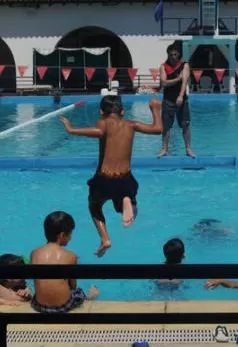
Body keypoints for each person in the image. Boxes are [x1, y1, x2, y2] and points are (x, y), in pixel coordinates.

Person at [60, 94, 163, 257]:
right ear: (122, 112)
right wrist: (156, 109)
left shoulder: (103, 122)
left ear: (102, 112)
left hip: (104, 178)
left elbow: (99, 132)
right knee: (128, 209)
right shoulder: (131, 124)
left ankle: (105, 238)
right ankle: (126, 200)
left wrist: (72, 130)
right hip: (125, 178)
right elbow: (157, 129)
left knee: (94, 206)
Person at [30, 211, 98, 313]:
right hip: (62, 307)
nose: (71, 238)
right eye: (70, 234)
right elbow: (73, 286)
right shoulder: (71, 256)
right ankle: (90, 297)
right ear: (62, 235)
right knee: (78, 292)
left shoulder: (34, 253)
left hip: (39, 306)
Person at [157, 44, 194, 158]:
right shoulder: (163, 67)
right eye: (171, 54)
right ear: (168, 54)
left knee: (185, 125)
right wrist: (178, 78)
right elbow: (164, 83)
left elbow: (185, 82)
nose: (173, 57)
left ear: (178, 55)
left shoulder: (184, 65)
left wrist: (181, 96)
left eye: (175, 54)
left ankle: (188, 149)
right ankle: (165, 149)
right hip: (168, 100)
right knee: (166, 127)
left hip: (182, 100)